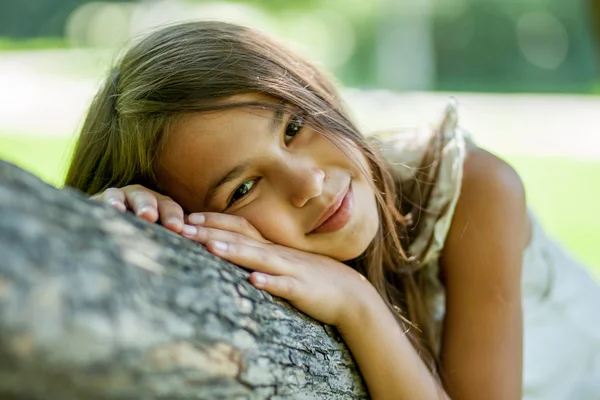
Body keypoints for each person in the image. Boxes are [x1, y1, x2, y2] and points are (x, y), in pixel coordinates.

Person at [64, 21, 600, 399]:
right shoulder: (227, 237)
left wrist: (358, 305)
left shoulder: (476, 190)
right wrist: (148, 228)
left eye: (294, 127)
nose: (309, 183)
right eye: (245, 187)